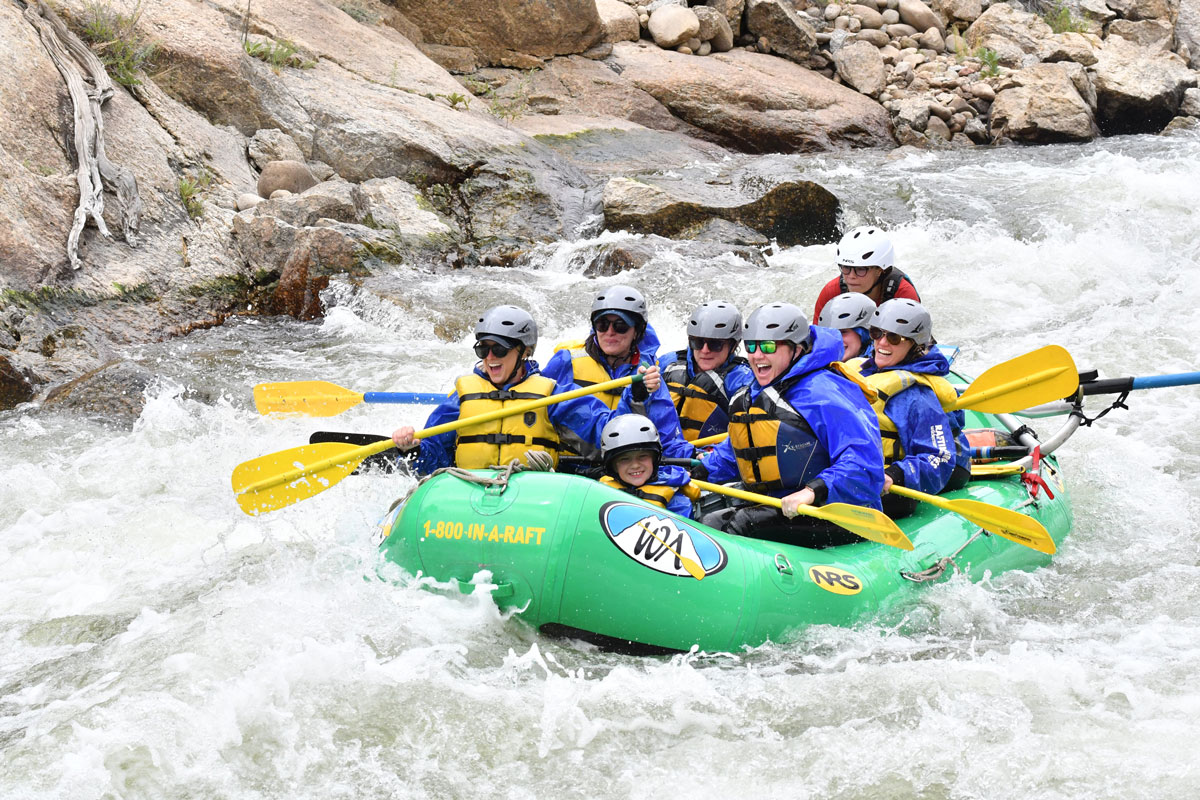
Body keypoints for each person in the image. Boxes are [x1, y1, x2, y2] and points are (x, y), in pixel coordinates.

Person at [390, 305, 666, 474]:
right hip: (470, 490)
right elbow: (434, 460)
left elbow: (608, 430)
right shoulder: (461, 397)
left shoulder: (552, 394)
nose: (490, 357)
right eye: (483, 349)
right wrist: (413, 449)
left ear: (524, 352)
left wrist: (637, 395)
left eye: (499, 348)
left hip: (531, 492)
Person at [697, 303, 885, 545]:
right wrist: (697, 471)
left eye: (768, 346)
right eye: (751, 346)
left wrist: (812, 491)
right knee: (702, 513)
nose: (757, 355)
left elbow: (864, 462)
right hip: (777, 505)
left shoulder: (825, 392)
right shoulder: (758, 389)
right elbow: (739, 450)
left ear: (796, 349)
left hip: (834, 512)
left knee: (744, 522)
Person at [850, 298, 971, 519]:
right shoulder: (861, 371)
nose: (883, 343)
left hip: (899, 486)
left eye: (895, 338)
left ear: (916, 345)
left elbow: (939, 457)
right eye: (877, 333)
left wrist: (894, 475)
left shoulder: (916, 397)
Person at [543, 284, 689, 459]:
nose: (610, 332)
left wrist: (695, 457)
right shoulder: (566, 361)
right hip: (569, 466)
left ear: (637, 331)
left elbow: (667, 439)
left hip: (624, 468)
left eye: (620, 326)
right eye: (602, 324)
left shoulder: (648, 376)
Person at [658, 301, 753, 444]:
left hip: (708, 460)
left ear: (734, 345)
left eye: (715, 344)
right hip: (659, 455)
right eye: (698, 342)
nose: (705, 350)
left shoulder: (743, 380)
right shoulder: (667, 364)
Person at [598, 414, 700, 518]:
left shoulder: (677, 502)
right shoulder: (601, 491)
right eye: (624, 459)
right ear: (613, 466)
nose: (635, 465)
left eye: (642, 456)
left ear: (654, 460)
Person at [812, 226, 920, 323]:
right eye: (846, 267)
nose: (851, 276)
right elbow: (818, 338)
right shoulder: (832, 292)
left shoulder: (903, 295)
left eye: (861, 269)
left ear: (879, 270)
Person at [816, 291, 876, 361]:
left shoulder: (880, 367)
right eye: (830, 334)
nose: (836, 340)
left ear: (865, 335)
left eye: (843, 332)